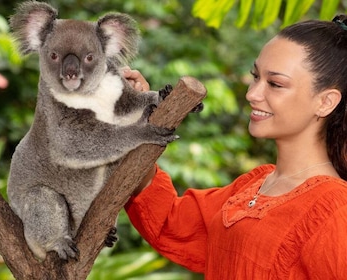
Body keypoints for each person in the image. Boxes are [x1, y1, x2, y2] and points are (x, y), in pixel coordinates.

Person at [123, 15, 347, 279]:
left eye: (275, 84)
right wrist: (133, 115)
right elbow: (172, 222)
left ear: (326, 102)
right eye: (256, 77)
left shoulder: (335, 210)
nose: (252, 94)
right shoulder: (255, 184)